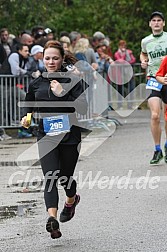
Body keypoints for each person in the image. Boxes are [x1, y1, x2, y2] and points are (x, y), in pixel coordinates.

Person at [21, 40, 87, 239]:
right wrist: (27, 115)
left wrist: (62, 93)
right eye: (47, 58)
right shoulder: (37, 81)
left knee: (65, 178)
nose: (51, 61)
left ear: (61, 59)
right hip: (46, 136)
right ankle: (52, 219)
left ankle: (71, 199)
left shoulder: (73, 80)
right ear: (43, 58)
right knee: (50, 177)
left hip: (69, 137)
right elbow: (29, 101)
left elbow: (83, 108)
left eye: (55, 58)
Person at [140, 11, 167, 164]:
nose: (156, 23)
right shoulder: (145, 41)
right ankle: (157, 149)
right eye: (153, 20)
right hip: (153, 78)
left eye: (159, 20)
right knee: (155, 115)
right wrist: (143, 61)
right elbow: (143, 54)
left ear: (163, 23)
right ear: (150, 24)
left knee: (166, 116)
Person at [114, 40, 136, 109]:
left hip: (129, 73)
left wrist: (127, 61)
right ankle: (119, 105)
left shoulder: (129, 52)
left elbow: (133, 59)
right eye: (122, 45)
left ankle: (130, 104)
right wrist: (124, 55)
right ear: (119, 46)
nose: (124, 47)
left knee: (131, 89)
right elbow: (120, 61)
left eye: (125, 45)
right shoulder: (117, 53)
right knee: (120, 89)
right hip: (120, 74)